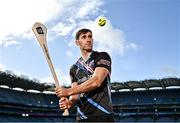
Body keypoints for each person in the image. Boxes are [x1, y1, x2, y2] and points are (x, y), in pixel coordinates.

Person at [55, 28, 115, 122]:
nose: (88, 39)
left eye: (90, 36)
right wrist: (69, 103)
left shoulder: (102, 56)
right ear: (77, 43)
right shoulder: (74, 68)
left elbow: (97, 81)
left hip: (103, 115)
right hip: (82, 117)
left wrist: (67, 91)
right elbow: (75, 95)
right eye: (84, 37)